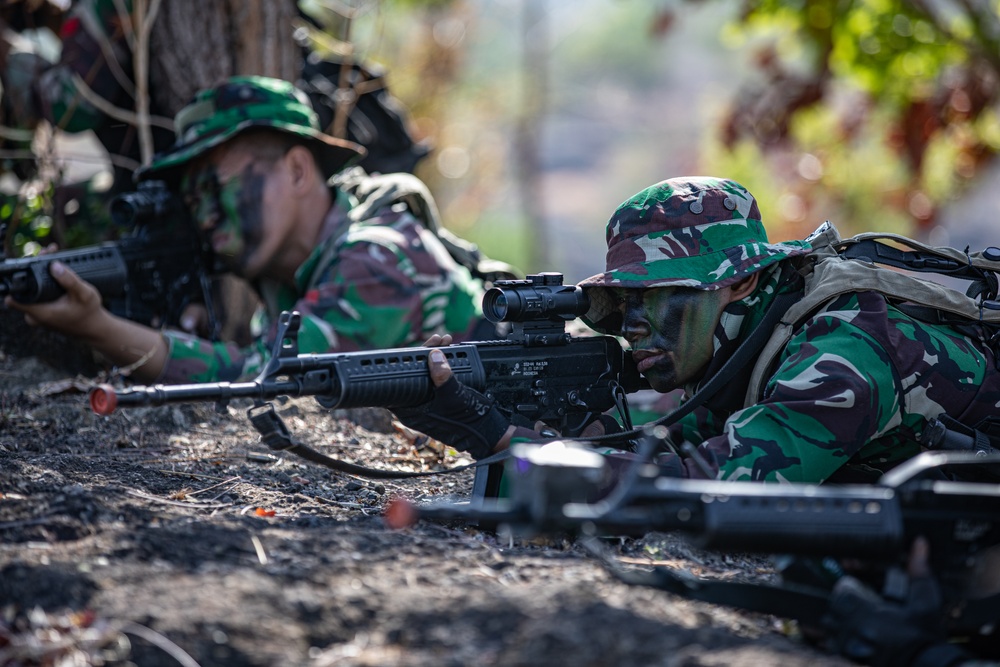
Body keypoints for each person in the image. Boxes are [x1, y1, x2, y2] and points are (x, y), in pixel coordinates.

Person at [394, 176, 1000, 483]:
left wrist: (497, 439)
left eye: (659, 299)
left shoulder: (840, 357)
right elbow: (657, 455)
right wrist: (517, 416)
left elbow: (688, 492)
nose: (633, 326)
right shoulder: (744, 343)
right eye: (623, 303)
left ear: (737, 284)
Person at [5, 75, 496, 383]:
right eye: (193, 200)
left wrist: (98, 327)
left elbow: (264, 379)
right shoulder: (293, 278)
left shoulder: (377, 258)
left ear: (298, 171)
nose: (206, 215)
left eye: (219, 187)